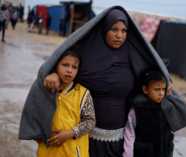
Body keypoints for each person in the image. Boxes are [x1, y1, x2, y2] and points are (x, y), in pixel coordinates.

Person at [20, 6, 177, 157]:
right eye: (114, 29)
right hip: (85, 139)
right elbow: (65, 63)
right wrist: (53, 73)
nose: (119, 35)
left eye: (124, 31)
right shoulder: (85, 51)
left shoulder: (134, 54)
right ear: (104, 29)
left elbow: (151, 75)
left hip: (121, 139)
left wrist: (164, 79)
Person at [20, 51, 96, 157]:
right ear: (55, 65)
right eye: (65, 65)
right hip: (48, 151)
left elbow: (90, 122)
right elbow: (32, 115)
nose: (69, 70)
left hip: (73, 151)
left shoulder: (83, 93)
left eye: (74, 67)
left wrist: (70, 133)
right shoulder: (44, 89)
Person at [123, 70, 174, 157]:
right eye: (157, 89)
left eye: (163, 89)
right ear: (145, 89)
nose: (161, 93)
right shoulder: (137, 110)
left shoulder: (166, 107)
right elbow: (129, 135)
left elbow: (170, 135)